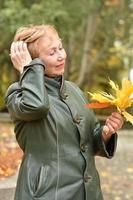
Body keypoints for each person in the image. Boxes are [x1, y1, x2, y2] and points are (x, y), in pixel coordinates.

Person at [5, 24, 123, 200]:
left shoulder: (74, 91)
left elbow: (88, 142)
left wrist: (106, 134)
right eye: (52, 53)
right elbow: (37, 106)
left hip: (88, 193)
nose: (61, 56)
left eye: (60, 47)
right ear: (33, 61)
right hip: (46, 194)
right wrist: (27, 70)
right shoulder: (18, 93)